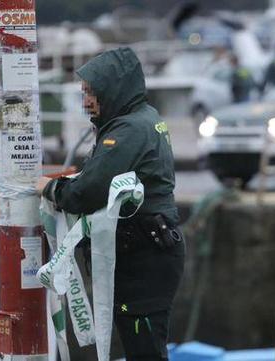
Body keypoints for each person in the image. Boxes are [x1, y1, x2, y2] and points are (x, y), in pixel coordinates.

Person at [38, 47, 185, 361]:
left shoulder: (128, 130)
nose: (86, 101)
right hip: (150, 252)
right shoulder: (144, 118)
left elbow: (86, 192)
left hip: (143, 258)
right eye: (83, 93)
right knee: (146, 348)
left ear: (115, 89)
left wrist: (50, 188)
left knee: (144, 350)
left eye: (92, 92)